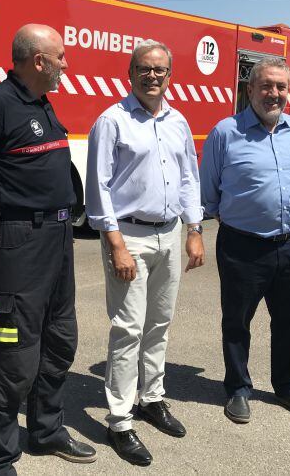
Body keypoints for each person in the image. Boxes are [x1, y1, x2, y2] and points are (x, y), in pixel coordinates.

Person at [0, 24, 97, 475]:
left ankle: (47, 430)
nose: (65, 64)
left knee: (59, 342)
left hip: (58, 241)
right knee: (14, 357)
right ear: (38, 60)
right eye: (60, 57)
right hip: (18, 247)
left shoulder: (39, 103)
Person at [85, 39, 205, 466]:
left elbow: (189, 177)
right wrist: (114, 243)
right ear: (130, 74)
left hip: (170, 234)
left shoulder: (177, 121)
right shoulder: (112, 121)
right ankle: (120, 420)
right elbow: (97, 187)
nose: (152, 76)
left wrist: (195, 229)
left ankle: (151, 398)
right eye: (144, 69)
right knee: (128, 328)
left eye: (160, 70)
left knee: (160, 323)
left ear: (170, 75)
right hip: (130, 239)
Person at [199, 57, 290, 425]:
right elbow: (209, 191)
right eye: (266, 85)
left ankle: (287, 386)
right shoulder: (225, 132)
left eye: (281, 87)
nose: (274, 93)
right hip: (242, 247)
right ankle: (238, 388)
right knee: (237, 322)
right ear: (249, 90)